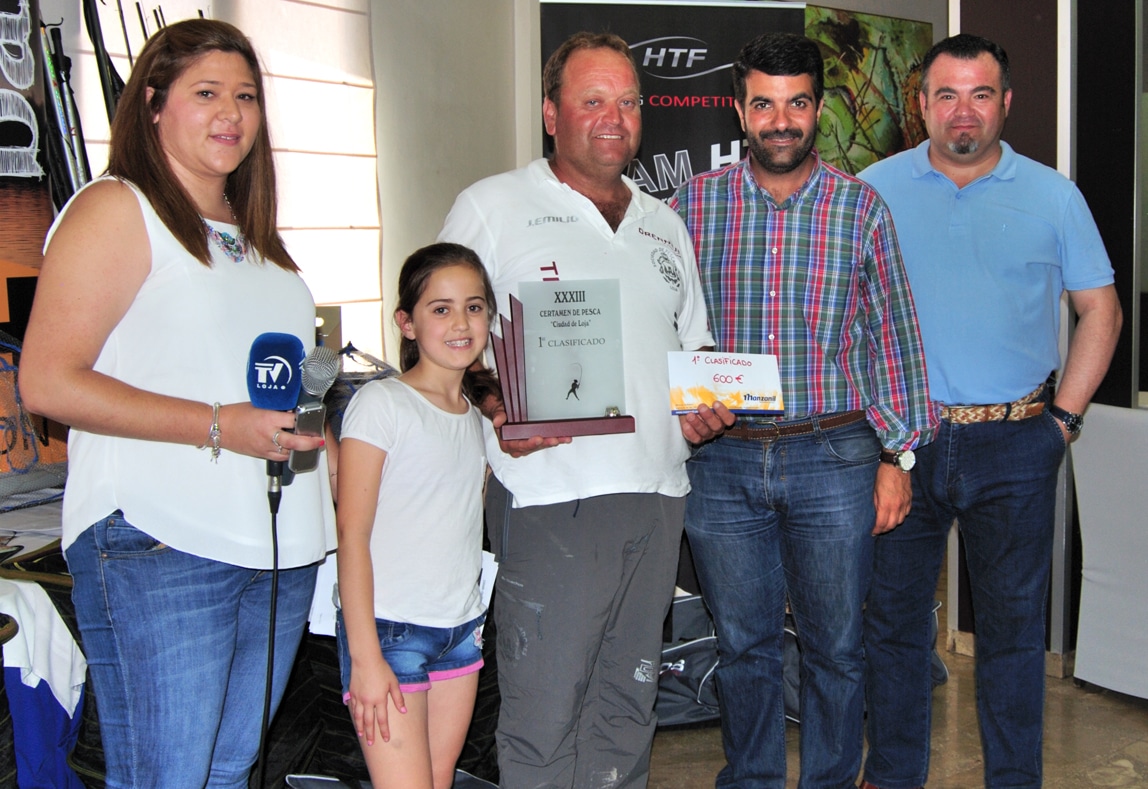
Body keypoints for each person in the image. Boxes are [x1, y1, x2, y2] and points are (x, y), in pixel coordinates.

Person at [18, 19, 334, 788]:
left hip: (277, 546)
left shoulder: (255, 238)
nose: (232, 112)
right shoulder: (116, 208)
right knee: (167, 776)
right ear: (153, 103)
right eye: (207, 93)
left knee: (226, 771)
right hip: (163, 544)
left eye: (247, 96)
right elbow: (48, 381)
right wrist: (219, 424)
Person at [438, 31, 733, 789]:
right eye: (592, 100)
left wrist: (703, 407)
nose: (614, 117)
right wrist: (495, 399)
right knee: (545, 715)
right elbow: (444, 335)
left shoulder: (664, 224)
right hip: (551, 498)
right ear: (550, 112)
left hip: (658, 498)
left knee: (629, 708)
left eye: (628, 102)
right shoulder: (494, 206)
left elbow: (693, 351)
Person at [670, 32, 935, 788]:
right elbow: (656, 320)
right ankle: (751, 778)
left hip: (836, 457)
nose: (780, 120)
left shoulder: (861, 209)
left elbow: (895, 337)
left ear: (817, 108)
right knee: (744, 645)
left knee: (836, 647)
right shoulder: (690, 205)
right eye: (763, 104)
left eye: (796, 104)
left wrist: (898, 456)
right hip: (722, 460)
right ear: (739, 109)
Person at [857, 34, 1122, 789]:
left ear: (1006, 102)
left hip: (1017, 443)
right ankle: (897, 774)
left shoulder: (1053, 195)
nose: (961, 111)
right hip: (903, 443)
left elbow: (1100, 310)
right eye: (945, 95)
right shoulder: (871, 189)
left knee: (1011, 636)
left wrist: (1061, 423)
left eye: (979, 94)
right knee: (894, 628)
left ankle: (1015, 779)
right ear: (921, 106)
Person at [335, 243, 496, 789]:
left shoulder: (476, 421)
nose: (460, 322)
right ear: (406, 323)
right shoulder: (383, 404)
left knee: (438, 779)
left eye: (474, 307)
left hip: (461, 631)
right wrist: (365, 657)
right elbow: (351, 536)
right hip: (390, 633)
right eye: (440, 308)